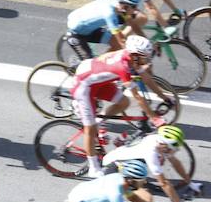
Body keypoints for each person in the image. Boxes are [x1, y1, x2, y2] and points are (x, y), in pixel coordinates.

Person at [69, 36, 165, 178]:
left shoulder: (131, 57)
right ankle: (93, 168)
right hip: (84, 86)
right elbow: (138, 97)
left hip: (96, 81)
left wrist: (165, 97)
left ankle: (98, 122)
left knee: (124, 102)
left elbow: (147, 79)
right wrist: (154, 118)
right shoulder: (124, 67)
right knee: (89, 129)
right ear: (136, 56)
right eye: (146, 57)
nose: (148, 60)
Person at [102, 125, 201, 202]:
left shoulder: (158, 141)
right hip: (115, 169)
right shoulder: (151, 152)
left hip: (128, 165)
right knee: (146, 199)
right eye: (172, 149)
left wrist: (190, 183)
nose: (173, 152)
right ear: (164, 145)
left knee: (144, 199)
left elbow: (176, 163)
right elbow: (163, 183)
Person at [64, 0, 144, 61]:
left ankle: (101, 63)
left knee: (116, 44)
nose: (136, 9)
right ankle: (79, 66)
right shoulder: (110, 13)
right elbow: (121, 41)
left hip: (89, 28)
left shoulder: (119, 5)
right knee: (89, 66)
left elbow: (133, 25)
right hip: (77, 34)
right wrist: (137, 57)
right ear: (125, 7)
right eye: (134, 6)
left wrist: (147, 41)